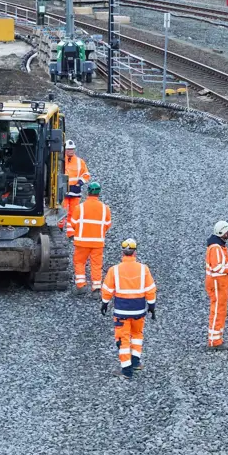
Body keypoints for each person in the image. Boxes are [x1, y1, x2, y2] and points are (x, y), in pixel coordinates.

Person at [100, 237, 157, 377]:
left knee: (123, 338)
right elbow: (150, 289)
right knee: (137, 334)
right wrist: (151, 306)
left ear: (122, 253)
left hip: (122, 311)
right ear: (135, 253)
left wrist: (104, 303)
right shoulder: (144, 269)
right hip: (139, 310)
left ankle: (126, 370)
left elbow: (107, 289)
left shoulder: (115, 270)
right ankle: (136, 362)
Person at [63, 182, 111, 291]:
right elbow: (107, 224)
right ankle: (96, 288)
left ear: (87, 192)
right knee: (96, 265)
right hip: (98, 242)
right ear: (99, 193)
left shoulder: (80, 207)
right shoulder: (105, 208)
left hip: (82, 242)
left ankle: (81, 286)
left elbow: (73, 223)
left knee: (79, 262)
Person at [204, 220, 228, 350]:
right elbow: (218, 267)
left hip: (219, 283)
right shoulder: (216, 248)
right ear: (222, 232)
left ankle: (217, 338)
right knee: (218, 310)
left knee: (220, 310)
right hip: (217, 283)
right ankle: (214, 341)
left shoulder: (217, 246)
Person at [63, 140, 90, 226]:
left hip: (75, 191)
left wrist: (80, 183)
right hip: (63, 191)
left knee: (73, 212)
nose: (71, 151)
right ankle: (60, 227)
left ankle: (71, 232)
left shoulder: (80, 161)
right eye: (69, 149)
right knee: (62, 212)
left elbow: (86, 174)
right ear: (64, 150)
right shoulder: (60, 161)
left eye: (72, 149)